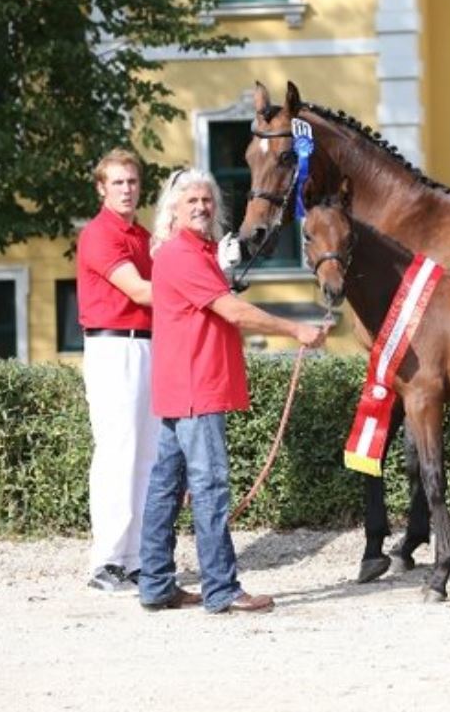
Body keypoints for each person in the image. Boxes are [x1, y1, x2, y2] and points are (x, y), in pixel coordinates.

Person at [139, 168, 327, 612]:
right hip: (195, 386)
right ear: (174, 210)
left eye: (207, 201)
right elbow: (233, 311)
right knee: (209, 487)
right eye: (193, 202)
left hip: (180, 386)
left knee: (166, 486)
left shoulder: (190, 252)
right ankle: (221, 589)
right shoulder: (183, 255)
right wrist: (295, 328)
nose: (203, 207)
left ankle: (156, 584)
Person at [76, 148, 158, 594]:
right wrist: (193, 284)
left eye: (132, 181)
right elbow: (141, 291)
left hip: (147, 346)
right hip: (113, 349)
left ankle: (137, 560)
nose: (127, 189)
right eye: (118, 182)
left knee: (146, 456)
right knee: (117, 455)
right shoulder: (99, 235)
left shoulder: (143, 237)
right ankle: (106, 562)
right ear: (101, 188)